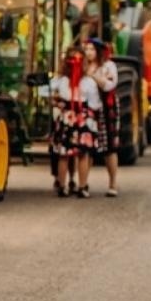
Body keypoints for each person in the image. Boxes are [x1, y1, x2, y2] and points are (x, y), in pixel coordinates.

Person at [48, 48, 95, 197]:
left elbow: (45, 91)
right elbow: (95, 103)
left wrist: (55, 102)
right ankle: (82, 187)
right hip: (82, 119)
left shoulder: (60, 81)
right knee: (82, 154)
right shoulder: (88, 82)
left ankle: (62, 186)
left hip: (66, 118)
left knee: (63, 154)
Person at [85, 39, 120, 196]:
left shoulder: (108, 66)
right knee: (86, 148)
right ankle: (83, 183)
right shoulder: (83, 66)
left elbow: (108, 85)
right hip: (87, 109)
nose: (88, 52)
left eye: (92, 49)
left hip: (105, 109)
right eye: (86, 49)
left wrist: (93, 76)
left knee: (109, 148)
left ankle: (113, 184)